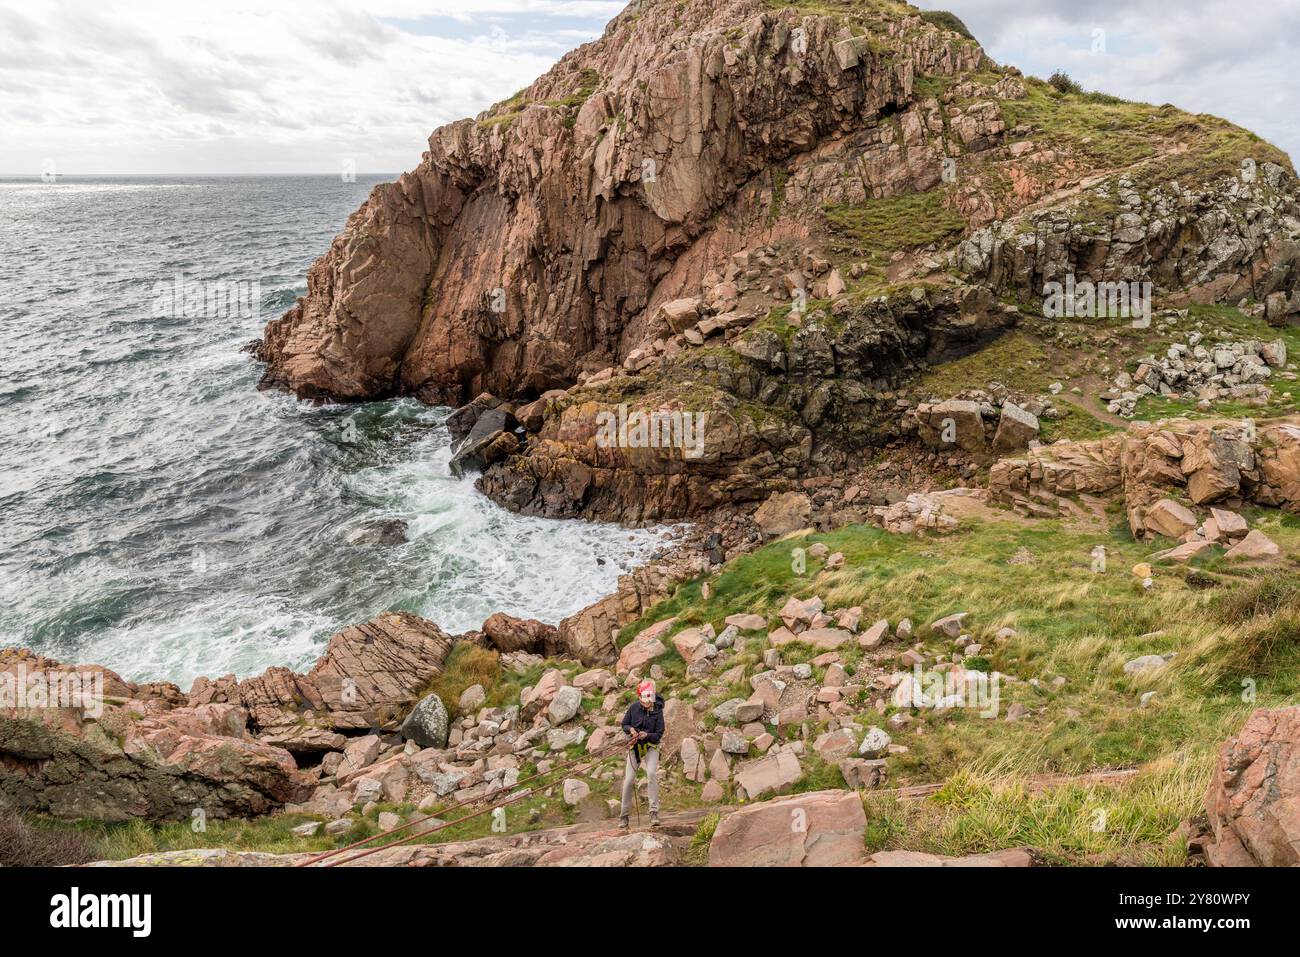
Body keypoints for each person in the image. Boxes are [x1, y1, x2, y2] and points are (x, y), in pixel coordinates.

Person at [619, 678, 664, 828]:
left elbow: (659, 733)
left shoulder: (658, 711)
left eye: (649, 697)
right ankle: (624, 816)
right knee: (628, 780)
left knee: (651, 773)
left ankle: (653, 812)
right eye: (644, 698)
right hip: (635, 747)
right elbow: (624, 724)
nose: (647, 701)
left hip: (651, 746)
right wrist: (631, 730)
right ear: (639, 697)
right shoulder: (633, 708)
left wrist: (647, 735)